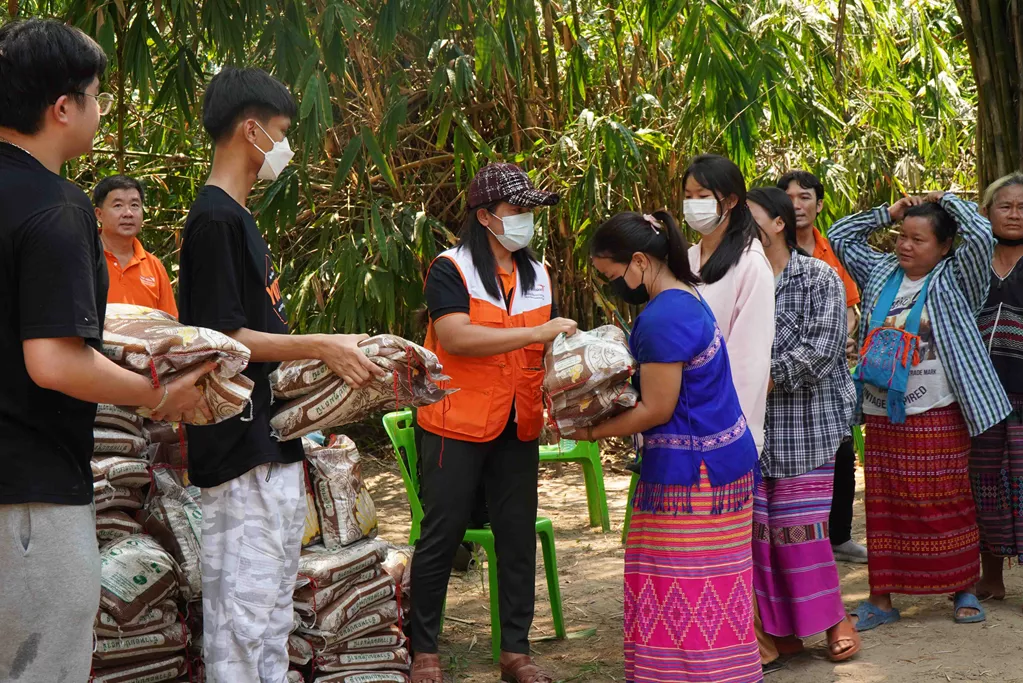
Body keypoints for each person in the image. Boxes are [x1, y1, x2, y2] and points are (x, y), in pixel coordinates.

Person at [0, 19, 211, 683]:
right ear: (62, 108)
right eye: (95, 94)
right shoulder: (56, 208)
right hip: (28, 494)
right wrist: (161, 393)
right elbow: (54, 361)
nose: (101, 108)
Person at [177, 67, 383, 683]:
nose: (286, 149)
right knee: (242, 617)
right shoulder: (214, 221)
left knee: (268, 613)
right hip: (240, 449)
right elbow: (224, 339)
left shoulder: (239, 219)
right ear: (250, 130)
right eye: (283, 133)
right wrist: (323, 344)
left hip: (270, 443)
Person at [409, 162, 576, 683]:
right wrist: (536, 335)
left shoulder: (538, 273)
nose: (527, 219)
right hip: (453, 423)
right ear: (484, 215)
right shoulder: (450, 268)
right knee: (442, 534)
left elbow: (546, 348)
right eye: (517, 209)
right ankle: (425, 652)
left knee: (516, 534)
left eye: (531, 210)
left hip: (517, 423)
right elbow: (456, 337)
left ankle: (516, 654)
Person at [585, 210, 762, 683]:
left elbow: (657, 409)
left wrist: (588, 432)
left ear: (639, 261)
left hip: (694, 475)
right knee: (713, 587)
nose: (613, 286)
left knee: (681, 588)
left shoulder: (663, 316)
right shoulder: (688, 298)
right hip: (719, 465)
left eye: (612, 275)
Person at [830, 190, 1011, 631]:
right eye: (901, 236)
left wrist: (947, 200)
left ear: (944, 246)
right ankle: (881, 598)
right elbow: (839, 235)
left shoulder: (956, 277)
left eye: (919, 239)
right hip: (882, 412)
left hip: (940, 411)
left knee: (948, 500)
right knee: (885, 505)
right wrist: (887, 211)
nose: (905, 245)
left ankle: (964, 589)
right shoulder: (879, 272)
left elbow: (984, 233)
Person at [746, 187, 859, 662]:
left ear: (778, 224)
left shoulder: (818, 277)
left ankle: (835, 620)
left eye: (748, 219)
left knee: (801, 532)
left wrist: (760, 377)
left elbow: (822, 350)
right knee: (759, 537)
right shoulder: (735, 280)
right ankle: (777, 633)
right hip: (748, 430)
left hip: (807, 428)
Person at [682, 153, 776, 671]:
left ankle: (735, 654)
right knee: (687, 553)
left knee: (718, 553)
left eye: (704, 195)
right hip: (674, 428)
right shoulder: (687, 257)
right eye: (689, 194)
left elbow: (747, 361)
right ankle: (694, 650)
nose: (694, 204)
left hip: (721, 434)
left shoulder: (750, 264)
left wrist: (722, 432)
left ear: (732, 201)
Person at [778, 170, 867, 565]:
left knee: (841, 449)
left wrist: (836, 339)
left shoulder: (831, 250)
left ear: (819, 203)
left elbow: (849, 308)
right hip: (780, 370)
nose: (797, 205)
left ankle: (839, 535)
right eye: (789, 197)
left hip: (829, 370)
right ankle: (794, 540)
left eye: (806, 197)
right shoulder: (762, 251)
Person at [970, 172, 1023, 602]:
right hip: (978, 395)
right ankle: (991, 576)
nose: (1015, 214)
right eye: (1005, 206)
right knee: (984, 480)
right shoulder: (971, 261)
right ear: (986, 212)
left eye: (1022, 207)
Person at [93, 174, 179, 316]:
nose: (128, 213)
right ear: (99, 214)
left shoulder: (154, 267)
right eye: (118, 205)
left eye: (134, 205)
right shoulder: (86, 258)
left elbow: (169, 324)